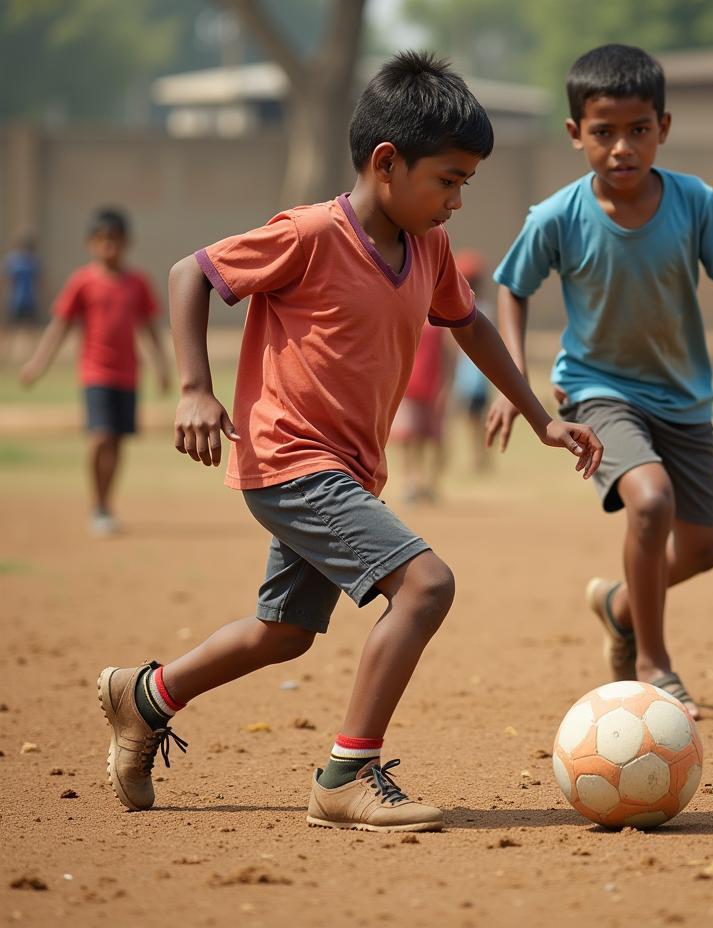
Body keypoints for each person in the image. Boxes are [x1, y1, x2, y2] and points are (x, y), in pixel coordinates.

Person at [97, 52, 602, 833]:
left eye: (467, 182)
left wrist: (538, 416)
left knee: (285, 633)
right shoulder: (308, 234)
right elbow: (189, 274)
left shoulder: (425, 244)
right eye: (450, 180)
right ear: (386, 163)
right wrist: (194, 387)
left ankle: (144, 696)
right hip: (290, 460)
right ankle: (346, 774)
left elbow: (466, 323)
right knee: (426, 586)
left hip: (349, 471)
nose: (458, 200)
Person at [486, 44, 713, 719]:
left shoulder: (694, 203)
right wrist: (518, 388)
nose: (622, 147)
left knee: (705, 549)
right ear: (575, 135)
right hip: (598, 390)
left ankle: (621, 605)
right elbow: (511, 289)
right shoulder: (556, 217)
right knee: (648, 504)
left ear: (665, 128)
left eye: (638, 130)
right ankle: (654, 663)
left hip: (683, 397)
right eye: (603, 132)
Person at [20, 209, 169, 536]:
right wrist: (37, 364)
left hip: (127, 375)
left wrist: (162, 367)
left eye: (116, 241)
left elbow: (149, 329)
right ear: (92, 243)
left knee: (116, 442)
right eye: (103, 241)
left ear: (127, 243)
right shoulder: (82, 282)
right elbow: (60, 326)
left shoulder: (137, 283)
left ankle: (106, 503)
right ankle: (97, 504)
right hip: (95, 373)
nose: (110, 247)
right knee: (100, 437)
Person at [391, 319, 453, 503]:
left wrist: (446, 386)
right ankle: (410, 483)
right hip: (407, 386)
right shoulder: (408, 313)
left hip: (433, 387)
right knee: (407, 438)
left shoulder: (442, 321)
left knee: (433, 439)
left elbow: (449, 355)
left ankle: (430, 484)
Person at [450, 250, 494, 473]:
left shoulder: (478, 308)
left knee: (474, 418)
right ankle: (479, 456)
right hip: (472, 376)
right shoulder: (484, 307)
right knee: (473, 418)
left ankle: (480, 457)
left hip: (474, 376)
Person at [3, 231, 42, 361]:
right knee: (12, 331)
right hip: (21, 301)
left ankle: (34, 358)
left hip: (19, 301)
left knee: (26, 331)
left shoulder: (17, 261)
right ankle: (5, 356)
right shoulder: (26, 262)